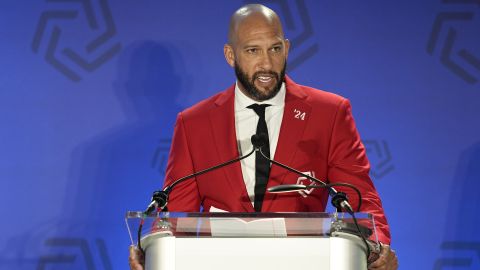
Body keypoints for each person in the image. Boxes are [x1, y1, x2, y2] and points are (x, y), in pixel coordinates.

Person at [130, 4, 398, 270]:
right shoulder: (194, 124)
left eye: (275, 49)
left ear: (287, 48)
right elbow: (176, 214)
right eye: (252, 51)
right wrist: (154, 249)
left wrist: (376, 247)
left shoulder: (329, 113)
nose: (267, 64)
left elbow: (359, 198)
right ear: (230, 55)